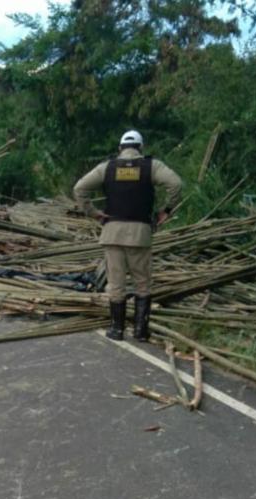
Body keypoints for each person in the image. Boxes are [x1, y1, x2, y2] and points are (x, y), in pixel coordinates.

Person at [73, 130, 182, 341]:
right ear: (140, 148)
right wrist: (166, 210)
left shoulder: (107, 167)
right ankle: (141, 331)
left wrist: (93, 213)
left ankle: (117, 329)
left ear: (120, 149)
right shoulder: (152, 167)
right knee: (142, 283)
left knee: (116, 284)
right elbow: (176, 184)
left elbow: (79, 188)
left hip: (112, 233)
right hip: (140, 234)